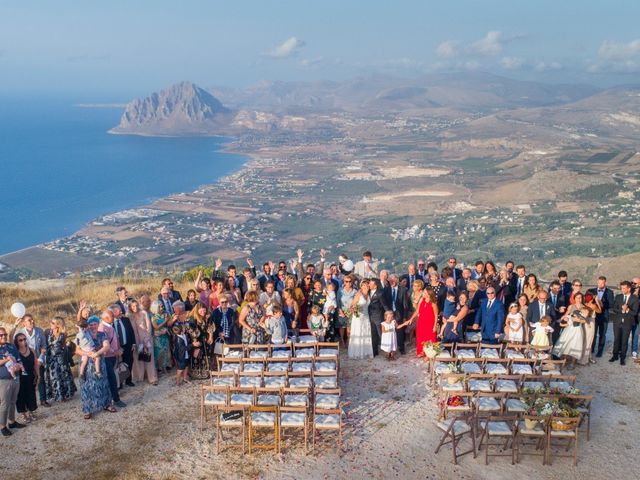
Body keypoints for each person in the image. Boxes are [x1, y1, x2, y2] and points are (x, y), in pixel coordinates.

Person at [75, 316, 115, 419]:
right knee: (86, 387)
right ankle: (87, 410)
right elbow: (77, 350)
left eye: (95, 324)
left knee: (103, 383)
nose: (93, 326)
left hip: (99, 363)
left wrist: (96, 353)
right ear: (88, 325)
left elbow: (106, 346)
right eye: (91, 324)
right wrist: (88, 353)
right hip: (86, 364)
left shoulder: (102, 334)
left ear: (98, 324)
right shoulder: (83, 334)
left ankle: (106, 404)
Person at [10, 314, 48, 408]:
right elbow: (11, 340)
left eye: (32, 319)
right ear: (24, 323)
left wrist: (40, 359)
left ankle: (43, 400)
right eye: (29, 320)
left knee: (40, 380)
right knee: (26, 385)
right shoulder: (19, 333)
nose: (32, 321)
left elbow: (44, 346)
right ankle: (26, 407)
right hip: (24, 360)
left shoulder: (39, 331)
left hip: (38, 359)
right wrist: (14, 325)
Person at [553, 292, 590, 368]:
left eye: (580, 298)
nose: (578, 299)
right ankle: (564, 361)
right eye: (577, 298)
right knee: (566, 343)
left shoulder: (584, 308)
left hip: (578, 329)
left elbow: (585, 320)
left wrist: (577, 320)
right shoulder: (571, 306)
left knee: (575, 344)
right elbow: (566, 314)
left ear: (582, 298)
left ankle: (573, 363)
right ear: (574, 298)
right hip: (569, 328)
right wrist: (561, 319)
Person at [0, 327, 26, 436]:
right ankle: (2, 426)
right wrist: (7, 359)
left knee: (12, 402)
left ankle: (12, 422)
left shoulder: (11, 346)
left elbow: (18, 358)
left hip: (16, 378)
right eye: (1, 335)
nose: (4, 336)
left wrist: (20, 366)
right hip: (4, 381)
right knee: (4, 404)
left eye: (4, 334)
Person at [98, 310, 126, 409]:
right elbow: (105, 345)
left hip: (113, 356)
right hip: (106, 357)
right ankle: (115, 400)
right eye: (111, 316)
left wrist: (118, 352)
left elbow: (115, 339)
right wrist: (115, 351)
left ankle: (112, 399)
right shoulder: (102, 328)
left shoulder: (109, 325)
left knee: (113, 378)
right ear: (105, 318)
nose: (113, 317)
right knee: (111, 379)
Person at [45, 317, 76, 403]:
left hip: (60, 359)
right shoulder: (48, 332)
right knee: (54, 378)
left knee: (63, 377)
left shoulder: (62, 334)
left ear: (58, 325)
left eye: (53, 322)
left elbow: (65, 346)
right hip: (51, 359)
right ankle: (57, 395)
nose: (50, 323)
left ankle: (64, 395)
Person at [610, 281, 639, 365]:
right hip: (617, 322)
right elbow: (614, 309)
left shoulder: (635, 298)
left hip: (628, 323)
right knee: (616, 340)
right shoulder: (618, 297)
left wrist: (627, 309)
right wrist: (622, 310)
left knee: (624, 341)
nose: (622, 290)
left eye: (624, 288)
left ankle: (622, 358)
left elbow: (635, 313)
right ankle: (615, 356)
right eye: (621, 288)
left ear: (629, 288)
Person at [130, 298, 158, 386]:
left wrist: (147, 338)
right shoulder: (129, 316)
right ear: (130, 307)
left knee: (149, 358)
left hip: (146, 338)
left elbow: (149, 327)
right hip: (136, 340)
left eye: (136, 305)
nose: (135, 307)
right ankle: (139, 376)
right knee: (138, 358)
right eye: (133, 306)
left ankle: (152, 378)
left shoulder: (144, 313)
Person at [14, 333, 39, 423]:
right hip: (19, 378)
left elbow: (36, 364)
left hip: (30, 376)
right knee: (20, 396)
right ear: (16, 342)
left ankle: (32, 411)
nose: (23, 341)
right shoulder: (15, 352)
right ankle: (24, 414)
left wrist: (38, 376)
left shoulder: (31, 350)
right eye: (20, 340)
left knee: (31, 394)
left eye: (24, 339)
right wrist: (15, 326)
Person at [408, 288, 438, 357]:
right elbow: (417, 311)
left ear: (428, 294)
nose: (423, 293)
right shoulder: (422, 300)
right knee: (420, 337)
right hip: (421, 321)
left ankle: (429, 354)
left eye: (424, 292)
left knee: (429, 338)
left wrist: (434, 326)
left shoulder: (433, 304)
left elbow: (436, 315)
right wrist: (411, 318)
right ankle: (421, 352)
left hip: (430, 323)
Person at [111, 305, 136, 388]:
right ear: (113, 313)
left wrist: (133, 343)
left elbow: (131, 332)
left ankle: (129, 380)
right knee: (118, 366)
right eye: (119, 311)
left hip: (128, 346)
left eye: (121, 310)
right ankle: (120, 383)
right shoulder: (110, 324)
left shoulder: (126, 320)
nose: (121, 312)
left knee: (129, 363)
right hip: (117, 349)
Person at [386, 274, 411, 355]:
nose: (391, 282)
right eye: (390, 281)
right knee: (389, 332)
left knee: (399, 332)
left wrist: (405, 317)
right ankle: (390, 349)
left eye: (393, 280)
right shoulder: (386, 289)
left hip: (399, 314)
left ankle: (401, 348)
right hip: (389, 314)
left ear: (397, 280)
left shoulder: (403, 290)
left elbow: (405, 305)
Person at [348, 279, 373, 359]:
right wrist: (355, 310)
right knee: (359, 333)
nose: (366, 287)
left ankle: (365, 352)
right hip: (358, 318)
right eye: (364, 285)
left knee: (366, 333)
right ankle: (357, 353)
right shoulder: (358, 294)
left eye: (367, 285)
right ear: (361, 286)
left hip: (366, 317)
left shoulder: (369, 294)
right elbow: (351, 307)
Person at [593, 276, 614, 358]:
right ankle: (591, 349)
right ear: (597, 282)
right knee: (593, 334)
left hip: (604, 316)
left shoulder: (610, 292)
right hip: (594, 316)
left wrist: (601, 304)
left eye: (602, 283)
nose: (600, 284)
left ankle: (600, 351)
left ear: (605, 283)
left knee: (602, 334)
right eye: (599, 282)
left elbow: (611, 304)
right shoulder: (593, 291)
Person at [368, 279, 389, 357]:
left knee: (381, 334)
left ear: (375, 285)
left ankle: (387, 350)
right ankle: (374, 351)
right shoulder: (368, 292)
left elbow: (384, 304)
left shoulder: (380, 293)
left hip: (378, 316)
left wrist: (388, 315)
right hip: (370, 316)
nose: (369, 285)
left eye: (370, 284)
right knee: (373, 335)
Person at [150, 300, 171, 373]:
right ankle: (159, 368)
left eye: (162, 306)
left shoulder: (165, 314)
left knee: (166, 351)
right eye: (160, 307)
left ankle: (166, 366)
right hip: (158, 338)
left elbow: (169, 324)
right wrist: (165, 321)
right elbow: (156, 327)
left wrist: (168, 321)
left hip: (165, 336)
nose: (162, 308)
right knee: (158, 353)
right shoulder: (153, 317)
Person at [337, 274, 357, 347]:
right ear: (344, 282)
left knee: (349, 327)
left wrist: (353, 309)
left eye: (350, 281)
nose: (348, 283)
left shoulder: (355, 291)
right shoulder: (340, 290)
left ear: (352, 282)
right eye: (346, 281)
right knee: (342, 327)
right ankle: (342, 340)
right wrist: (340, 311)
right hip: (341, 310)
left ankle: (348, 341)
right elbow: (337, 301)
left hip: (351, 311)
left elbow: (356, 302)